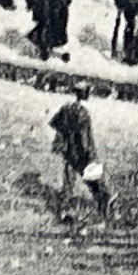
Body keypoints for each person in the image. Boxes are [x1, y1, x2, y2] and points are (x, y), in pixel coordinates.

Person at [50, 80, 113, 219]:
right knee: (97, 185)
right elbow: (86, 138)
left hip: (68, 152)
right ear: (86, 94)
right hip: (83, 154)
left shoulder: (67, 108)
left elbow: (56, 125)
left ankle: (61, 212)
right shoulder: (84, 113)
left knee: (68, 184)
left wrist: (60, 143)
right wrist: (91, 155)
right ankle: (105, 214)